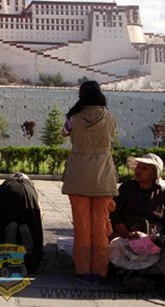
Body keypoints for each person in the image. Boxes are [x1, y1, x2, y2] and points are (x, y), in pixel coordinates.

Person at [110, 153, 165, 295]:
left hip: (154, 238)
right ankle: (142, 276)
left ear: (154, 173)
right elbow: (113, 213)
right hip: (129, 235)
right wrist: (127, 233)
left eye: (144, 168)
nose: (138, 170)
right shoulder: (127, 188)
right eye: (138, 167)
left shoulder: (163, 193)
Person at [61, 80, 118, 285]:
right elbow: (111, 136)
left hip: (78, 176)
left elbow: (63, 133)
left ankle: (83, 271)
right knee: (101, 227)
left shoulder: (73, 118)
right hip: (103, 176)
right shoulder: (109, 117)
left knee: (82, 227)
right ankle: (100, 271)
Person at [0, 173, 43, 274]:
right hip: (27, 193)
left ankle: (9, 232)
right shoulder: (31, 188)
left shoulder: (4, 185)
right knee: (30, 226)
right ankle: (25, 232)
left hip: (6, 191)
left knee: (0, 227)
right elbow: (39, 213)